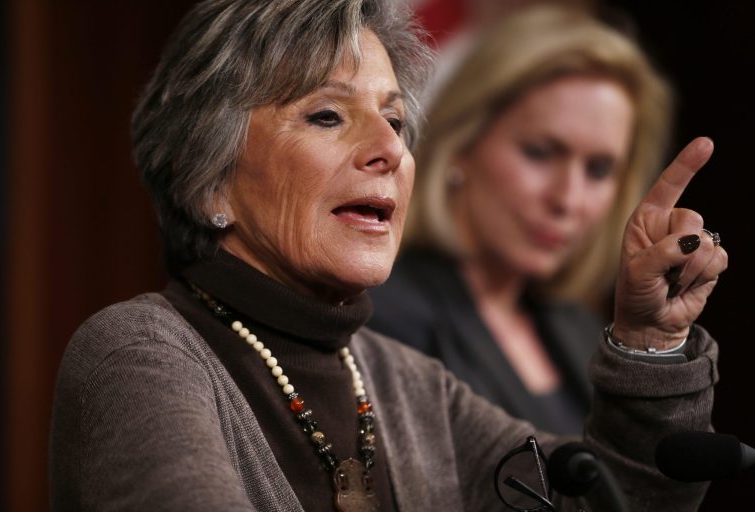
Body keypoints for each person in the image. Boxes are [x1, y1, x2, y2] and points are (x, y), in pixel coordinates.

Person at [48, 0, 726, 510]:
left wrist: (649, 340)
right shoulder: (137, 354)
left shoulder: (405, 382)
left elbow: (609, 499)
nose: (391, 150)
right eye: (327, 115)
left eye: (396, 121)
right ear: (208, 182)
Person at [368, 4, 675, 435]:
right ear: (462, 143)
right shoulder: (382, 319)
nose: (567, 198)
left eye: (598, 170)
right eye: (540, 152)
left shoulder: (584, 332)